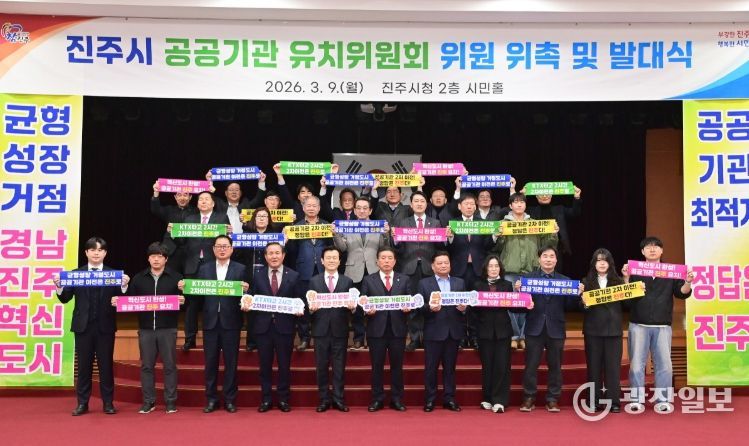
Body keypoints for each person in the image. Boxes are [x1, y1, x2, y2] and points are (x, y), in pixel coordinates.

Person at [53, 237, 130, 416]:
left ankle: (108, 403)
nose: (96, 253)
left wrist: (124, 286)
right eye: (93, 250)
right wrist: (59, 287)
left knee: (106, 366)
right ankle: (82, 403)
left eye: (100, 250)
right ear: (86, 252)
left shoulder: (113, 274)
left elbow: (122, 300)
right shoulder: (76, 274)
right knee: (84, 367)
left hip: (105, 327)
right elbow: (65, 298)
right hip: (83, 327)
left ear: (105, 253)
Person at [622, 236, 693, 413]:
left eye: (656, 247)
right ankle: (636, 400)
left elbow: (681, 293)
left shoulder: (671, 271)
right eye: (648, 247)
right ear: (642, 252)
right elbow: (627, 300)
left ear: (662, 250)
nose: (652, 249)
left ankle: (662, 400)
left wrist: (688, 282)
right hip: (638, 324)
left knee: (664, 365)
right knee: (636, 365)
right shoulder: (636, 271)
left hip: (662, 326)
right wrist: (626, 278)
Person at [180, 235, 249, 413]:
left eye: (225, 246)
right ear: (213, 249)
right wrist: (186, 288)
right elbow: (197, 297)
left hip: (231, 322)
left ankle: (230, 400)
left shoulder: (240, 269)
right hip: (210, 322)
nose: (222, 249)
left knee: (231, 363)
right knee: (210, 363)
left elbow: (249, 296)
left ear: (232, 249)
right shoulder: (204, 269)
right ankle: (211, 399)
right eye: (219, 246)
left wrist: (247, 292)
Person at [118, 242, 184, 414]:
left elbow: (187, 302)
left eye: (160, 256)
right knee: (147, 366)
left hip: (168, 328)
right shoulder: (139, 278)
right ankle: (149, 401)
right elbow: (130, 300)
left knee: (170, 366)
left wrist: (184, 298)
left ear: (166, 259)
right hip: (146, 328)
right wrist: (120, 297)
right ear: (148, 258)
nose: (156, 259)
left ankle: (170, 401)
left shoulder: (177, 278)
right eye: (153, 256)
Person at [517, 246, 581, 413]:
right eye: (545, 256)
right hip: (534, 327)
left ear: (556, 260)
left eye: (552, 256)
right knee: (531, 365)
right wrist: (519, 293)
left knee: (555, 366)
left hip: (556, 328)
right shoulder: (527, 279)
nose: (548, 259)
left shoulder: (564, 281)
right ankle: (529, 397)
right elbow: (519, 307)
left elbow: (570, 307)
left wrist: (577, 294)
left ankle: (553, 399)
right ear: (539, 259)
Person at [492, 192, 558, 351]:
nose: (519, 204)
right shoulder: (503, 224)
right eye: (516, 202)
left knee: (530, 304)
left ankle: (524, 336)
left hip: (531, 269)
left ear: (525, 205)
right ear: (510, 205)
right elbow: (496, 247)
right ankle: (514, 336)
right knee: (511, 304)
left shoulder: (534, 223)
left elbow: (547, 244)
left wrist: (553, 233)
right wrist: (498, 236)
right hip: (510, 269)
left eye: (522, 202)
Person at [247, 242, 304, 413]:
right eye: (270, 253)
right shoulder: (257, 275)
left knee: (284, 366)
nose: (274, 256)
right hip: (263, 328)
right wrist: (247, 301)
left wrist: (299, 308)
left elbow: (299, 299)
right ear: (265, 257)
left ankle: (283, 399)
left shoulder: (293, 275)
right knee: (264, 366)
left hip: (284, 327)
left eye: (277, 253)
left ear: (283, 255)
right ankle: (266, 399)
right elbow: (251, 296)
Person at [333, 196, 391, 349]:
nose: (362, 211)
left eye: (365, 208)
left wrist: (386, 234)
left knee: (375, 306)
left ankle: (375, 337)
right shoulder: (347, 226)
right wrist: (336, 234)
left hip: (374, 269)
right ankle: (358, 338)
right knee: (356, 307)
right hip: (354, 271)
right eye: (358, 208)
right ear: (354, 210)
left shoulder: (377, 226)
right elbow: (342, 248)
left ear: (370, 210)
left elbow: (384, 247)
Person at [178, 191, 231, 351]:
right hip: (192, 266)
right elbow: (181, 241)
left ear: (213, 203)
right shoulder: (189, 219)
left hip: (213, 265)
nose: (203, 201)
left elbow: (226, 240)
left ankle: (215, 337)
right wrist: (173, 231)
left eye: (207, 199)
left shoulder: (221, 218)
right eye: (200, 199)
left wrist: (229, 232)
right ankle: (190, 338)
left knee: (213, 302)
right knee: (191, 304)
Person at [361, 247, 411, 412]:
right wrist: (366, 309)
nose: (386, 261)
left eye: (390, 258)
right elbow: (362, 302)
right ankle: (377, 399)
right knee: (377, 366)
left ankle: (397, 399)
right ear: (377, 261)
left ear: (395, 261)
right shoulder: (368, 280)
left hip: (398, 329)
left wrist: (408, 308)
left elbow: (411, 302)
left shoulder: (404, 279)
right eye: (383, 258)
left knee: (397, 366)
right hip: (376, 330)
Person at [392, 191, 443, 351]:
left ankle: (428, 338)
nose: (419, 204)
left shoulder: (435, 223)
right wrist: (396, 239)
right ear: (411, 204)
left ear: (426, 204)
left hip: (429, 268)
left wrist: (445, 237)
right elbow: (399, 249)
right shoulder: (403, 222)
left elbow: (440, 247)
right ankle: (414, 338)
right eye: (416, 201)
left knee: (429, 304)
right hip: (409, 268)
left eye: (422, 201)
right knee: (413, 304)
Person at [308, 247, 356, 412]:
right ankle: (323, 400)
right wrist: (311, 308)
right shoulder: (314, 281)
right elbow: (308, 305)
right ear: (322, 261)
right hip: (320, 330)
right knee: (321, 367)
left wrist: (353, 307)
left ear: (340, 261)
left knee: (339, 367)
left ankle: (338, 399)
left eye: (335, 258)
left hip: (340, 330)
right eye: (328, 257)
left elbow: (353, 308)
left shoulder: (347, 281)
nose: (331, 260)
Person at [284, 195, 334, 351]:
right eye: (308, 206)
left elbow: (332, 247)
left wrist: (334, 234)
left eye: (314, 206)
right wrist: (287, 238)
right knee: (304, 305)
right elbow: (291, 252)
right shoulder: (296, 226)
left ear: (319, 208)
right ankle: (305, 338)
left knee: (324, 305)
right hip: (303, 270)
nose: (311, 208)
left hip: (323, 270)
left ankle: (323, 336)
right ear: (303, 208)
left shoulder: (326, 225)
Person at [445, 193, 494, 349]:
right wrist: (449, 237)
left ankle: (474, 337)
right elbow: (447, 247)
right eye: (466, 204)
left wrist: (494, 236)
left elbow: (488, 246)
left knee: (476, 304)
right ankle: (459, 337)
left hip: (478, 269)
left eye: (472, 204)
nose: (469, 206)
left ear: (476, 206)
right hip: (458, 269)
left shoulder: (482, 223)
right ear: (459, 206)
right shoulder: (453, 224)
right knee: (459, 304)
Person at [419, 251, 466, 412]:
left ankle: (449, 399)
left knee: (450, 369)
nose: (443, 265)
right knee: (430, 368)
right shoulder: (424, 283)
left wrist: (464, 308)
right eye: (439, 263)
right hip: (433, 331)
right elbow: (419, 307)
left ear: (450, 265)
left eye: (446, 262)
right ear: (433, 266)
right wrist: (429, 308)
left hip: (453, 331)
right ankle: (430, 400)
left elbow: (466, 305)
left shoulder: (459, 283)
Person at [580, 248, 625, 413]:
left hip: (613, 330)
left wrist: (629, 282)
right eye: (599, 260)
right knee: (593, 367)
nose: (602, 263)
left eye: (605, 260)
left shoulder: (619, 282)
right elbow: (580, 307)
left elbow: (628, 304)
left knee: (613, 368)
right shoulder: (586, 282)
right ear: (594, 263)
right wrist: (584, 302)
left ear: (610, 263)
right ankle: (593, 401)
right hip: (593, 331)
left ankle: (614, 402)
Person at [473, 255, 515, 413]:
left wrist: (527, 304)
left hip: (503, 331)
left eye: (496, 266)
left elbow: (513, 306)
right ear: (485, 269)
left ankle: (500, 400)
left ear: (500, 268)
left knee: (502, 366)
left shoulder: (507, 285)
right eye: (490, 266)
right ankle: (487, 398)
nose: (493, 269)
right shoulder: (477, 285)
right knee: (487, 366)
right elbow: (473, 310)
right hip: (484, 331)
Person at [241, 206, 280, 351]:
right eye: (259, 216)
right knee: (251, 307)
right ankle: (251, 342)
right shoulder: (247, 234)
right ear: (254, 219)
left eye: (264, 216)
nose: (262, 219)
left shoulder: (275, 236)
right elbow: (238, 255)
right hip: (249, 274)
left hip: (268, 275)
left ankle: (268, 342)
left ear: (269, 220)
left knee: (266, 308)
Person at [524, 184, 582, 271]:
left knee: (556, 273)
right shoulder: (530, 210)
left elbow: (575, 213)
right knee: (537, 273)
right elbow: (515, 210)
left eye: (547, 194)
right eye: (541, 194)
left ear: (551, 195)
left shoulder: (559, 209)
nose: (544, 196)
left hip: (556, 247)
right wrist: (522, 196)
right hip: (536, 247)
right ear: (536, 196)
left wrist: (577, 197)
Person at [150, 181, 197, 274]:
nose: (182, 198)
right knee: (170, 277)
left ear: (190, 197)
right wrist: (156, 192)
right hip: (171, 250)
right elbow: (155, 209)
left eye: (185, 195)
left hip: (190, 251)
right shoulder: (169, 210)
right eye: (179, 195)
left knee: (189, 277)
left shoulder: (197, 211)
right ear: (175, 197)